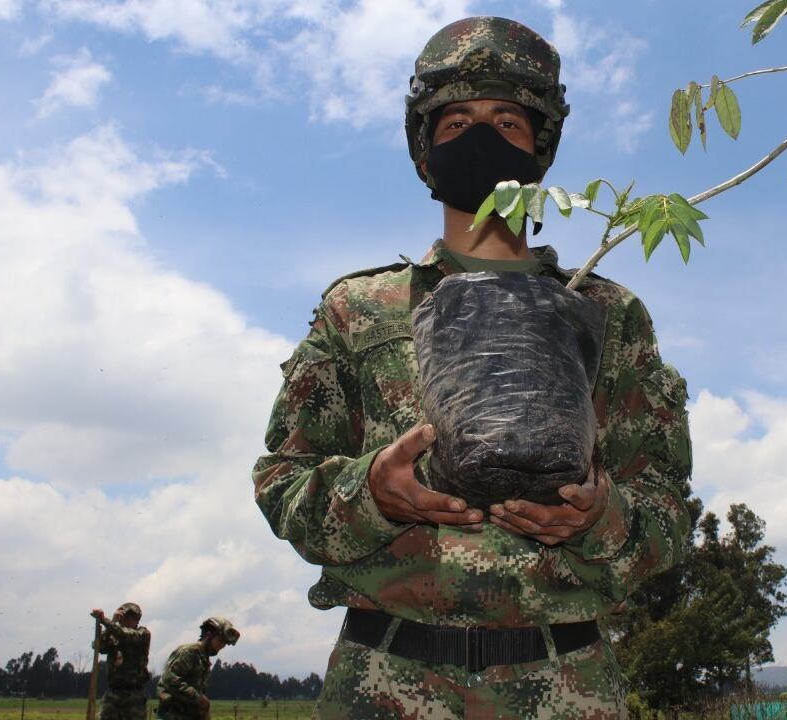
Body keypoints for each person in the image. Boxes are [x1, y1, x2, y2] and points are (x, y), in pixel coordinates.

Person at [252, 15, 692, 720]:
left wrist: (600, 519)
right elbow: (283, 483)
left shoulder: (605, 313)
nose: (481, 137)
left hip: (568, 684)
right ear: (424, 148)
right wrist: (372, 492)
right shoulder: (358, 309)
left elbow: (667, 511)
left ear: (540, 148)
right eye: (455, 121)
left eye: (507, 122)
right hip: (384, 683)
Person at [156, 617, 239, 720]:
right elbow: (170, 679)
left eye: (224, 643)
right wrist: (198, 698)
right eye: (220, 640)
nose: (221, 646)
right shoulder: (188, 652)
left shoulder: (203, 659)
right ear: (209, 635)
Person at [90, 603, 151, 720]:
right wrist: (112, 622)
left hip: (134, 694)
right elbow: (98, 646)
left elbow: (124, 635)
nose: (127, 621)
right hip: (114, 692)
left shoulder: (142, 634)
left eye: (131, 618)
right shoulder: (114, 635)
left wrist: (105, 621)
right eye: (124, 618)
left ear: (137, 620)